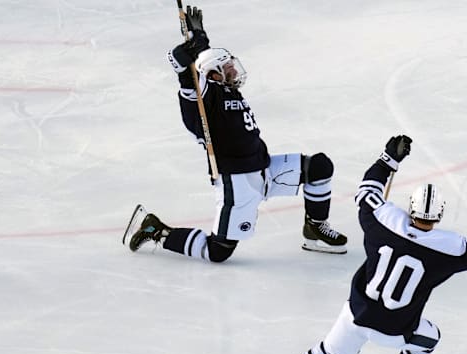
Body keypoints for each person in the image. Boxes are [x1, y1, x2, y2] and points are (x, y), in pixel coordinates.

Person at [263, 135, 467, 354]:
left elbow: (367, 191)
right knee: (429, 336)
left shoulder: (382, 219)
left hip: (356, 314)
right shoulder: (449, 248)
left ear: (411, 207)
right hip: (396, 331)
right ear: (439, 214)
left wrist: (389, 160)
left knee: (329, 352)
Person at [122, 5, 347, 262]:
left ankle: (315, 229)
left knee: (318, 166)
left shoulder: (229, 90)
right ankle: (157, 231)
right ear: (214, 73)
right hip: (237, 182)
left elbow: (206, 61)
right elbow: (184, 69)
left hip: (264, 168)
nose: (234, 71)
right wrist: (192, 52)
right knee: (218, 251)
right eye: (227, 68)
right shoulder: (205, 97)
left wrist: (202, 39)